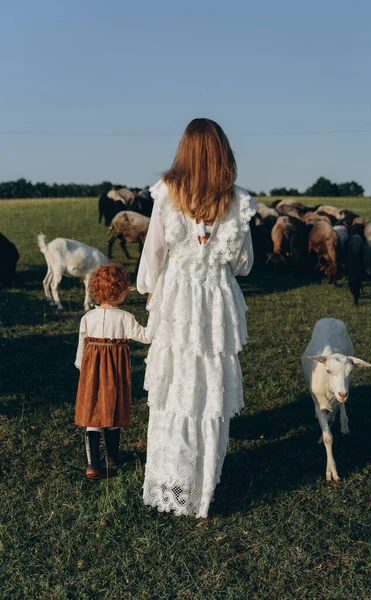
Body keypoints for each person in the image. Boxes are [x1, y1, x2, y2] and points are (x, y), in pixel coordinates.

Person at [136, 118, 256, 517]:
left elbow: (154, 252)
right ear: (223, 152)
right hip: (215, 300)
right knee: (207, 388)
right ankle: (202, 484)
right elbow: (244, 263)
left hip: (177, 299)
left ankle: (172, 485)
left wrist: (148, 287)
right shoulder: (237, 200)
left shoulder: (167, 194)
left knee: (174, 387)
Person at [74, 263, 150, 479]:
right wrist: (156, 317)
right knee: (113, 411)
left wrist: (82, 368)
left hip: (91, 373)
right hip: (115, 374)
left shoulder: (87, 318)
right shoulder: (125, 318)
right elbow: (146, 336)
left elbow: (81, 347)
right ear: (120, 292)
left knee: (93, 414)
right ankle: (114, 458)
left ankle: (93, 464)